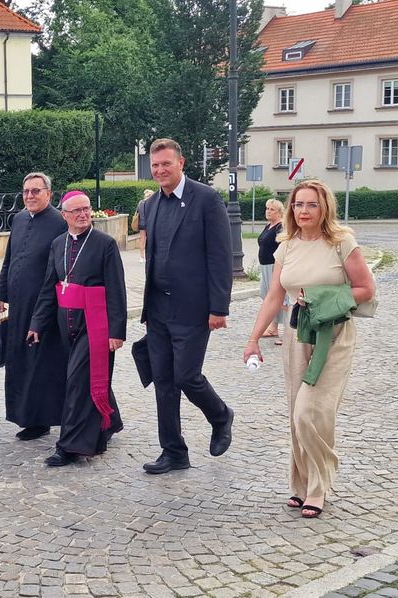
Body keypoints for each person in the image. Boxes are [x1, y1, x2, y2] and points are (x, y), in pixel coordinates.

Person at [242, 179, 376, 519]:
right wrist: (253, 339)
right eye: (298, 204)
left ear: (324, 208)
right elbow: (275, 296)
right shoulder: (286, 245)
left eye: (311, 205)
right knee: (295, 414)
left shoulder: (341, 242)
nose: (303, 210)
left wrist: (320, 298)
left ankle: (320, 483)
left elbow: (365, 288)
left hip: (333, 336)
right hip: (296, 335)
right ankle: (301, 485)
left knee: (312, 411)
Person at [140, 138, 234, 475]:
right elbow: (151, 257)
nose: (160, 170)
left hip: (193, 308)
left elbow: (220, 257)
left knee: (186, 376)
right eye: (155, 166)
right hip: (158, 309)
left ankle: (220, 415)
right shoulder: (150, 206)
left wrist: (219, 307)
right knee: (163, 381)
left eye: (166, 164)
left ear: (181, 163)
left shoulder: (205, 199)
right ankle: (173, 451)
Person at [27, 191, 126, 466]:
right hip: (65, 321)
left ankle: (70, 445)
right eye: (76, 211)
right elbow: (50, 286)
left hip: (95, 323)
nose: (83, 214)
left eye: (86, 209)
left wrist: (116, 331)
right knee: (89, 378)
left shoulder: (104, 244)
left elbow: (117, 289)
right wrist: (37, 323)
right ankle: (108, 423)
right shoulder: (58, 244)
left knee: (79, 383)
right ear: (64, 215)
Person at [0, 172, 68, 441]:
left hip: (45, 306)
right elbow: (9, 258)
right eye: (26, 191)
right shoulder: (19, 218)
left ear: (49, 193)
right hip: (18, 305)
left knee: (43, 364)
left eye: (36, 191)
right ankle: (28, 417)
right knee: (21, 361)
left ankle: (43, 419)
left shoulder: (59, 222)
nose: (29, 196)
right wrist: (1, 292)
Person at [257, 198, 286, 345]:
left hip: (275, 266)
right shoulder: (269, 225)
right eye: (267, 208)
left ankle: (289, 332)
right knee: (265, 294)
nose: (268, 211)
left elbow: (284, 246)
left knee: (281, 298)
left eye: (272, 209)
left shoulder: (281, 227)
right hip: (265, 265)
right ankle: (273, 327)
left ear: (279, 212)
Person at [133, 188, 155, 261]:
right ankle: (150, 255)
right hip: (150, 224)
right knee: (150, 240)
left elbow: (137, 212)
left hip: (141, 223)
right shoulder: (152, 203)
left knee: (142, 240)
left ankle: (141, 257)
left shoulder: (140, 202)